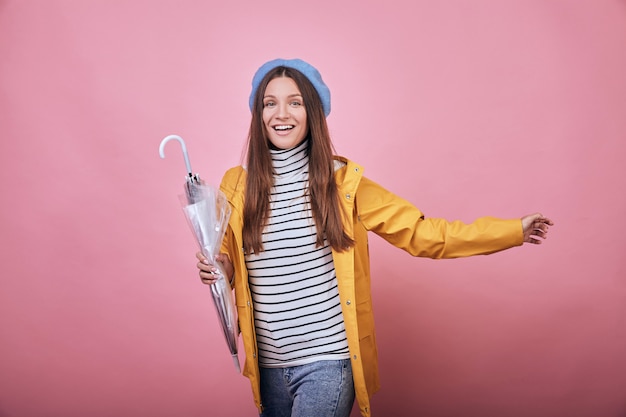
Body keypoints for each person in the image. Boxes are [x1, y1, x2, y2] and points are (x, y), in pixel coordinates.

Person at [195, 58, 553, 417]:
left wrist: (511, 232)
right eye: (269, 102)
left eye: (295, 102)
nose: (281, 113)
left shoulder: (342, 183)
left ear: (314, 112)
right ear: (258, 114)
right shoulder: (237, 185)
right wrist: (218, 267)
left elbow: (423, 233)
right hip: (268, 368)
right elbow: (228, 258)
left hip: (328, 363)